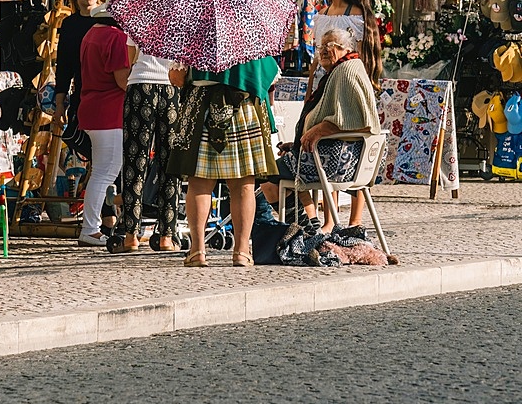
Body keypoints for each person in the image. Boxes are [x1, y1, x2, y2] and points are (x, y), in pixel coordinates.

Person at [259, 28, 381, 232]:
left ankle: (306, 230)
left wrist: (320, 130)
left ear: (345, 48)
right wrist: (299, 142)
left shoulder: (346, 70)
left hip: (334, 162)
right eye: (320, 47)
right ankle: (311, 226)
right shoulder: (342, 68)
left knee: (266, 176)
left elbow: (353, 117)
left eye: (330, 45)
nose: (323, 51)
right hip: (329, 155)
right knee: (280, 176)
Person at [168, 56, 280, 267]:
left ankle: (197, 250)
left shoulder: (197, 32)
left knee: (200, 182)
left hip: (202, 106)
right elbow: (271, 76)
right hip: (243, 107)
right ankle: (242, 251)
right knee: (243, 185)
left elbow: (177, 77)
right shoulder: (251, 33)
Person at [303, 0, 382, 229]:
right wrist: (311, 84)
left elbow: (363, 55)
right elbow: (316, 55)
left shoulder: (357, 13)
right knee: (328, 148)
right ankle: (329, 219)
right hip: (324, 85)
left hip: (349, 83)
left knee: (355, 147)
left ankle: (355, 220)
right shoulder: (323, 12)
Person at [51, 0, 116, 233]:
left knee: (108, 162)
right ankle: (102, 216)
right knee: (99, 161)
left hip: (111, 95)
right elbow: (64, 66)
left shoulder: (112, 19)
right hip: (84, 95)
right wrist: (59, 102)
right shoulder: (71, 24)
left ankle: (108, 215)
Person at [75, 0, 130, 247]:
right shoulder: (115, 37)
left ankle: (91, 226)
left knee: (100, 171)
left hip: (92, 108)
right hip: (109, 112)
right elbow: (122, 80)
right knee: (106, 172)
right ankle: (90, 228)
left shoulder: (90, 34)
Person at [116, 37, 180, 252]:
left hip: (140, 85)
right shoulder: (181, 19)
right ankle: (167, 236)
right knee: (170, 163)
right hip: (171, 88)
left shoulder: (139, 14)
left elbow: (130, 57)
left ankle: (130, 235)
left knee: (135, 162)